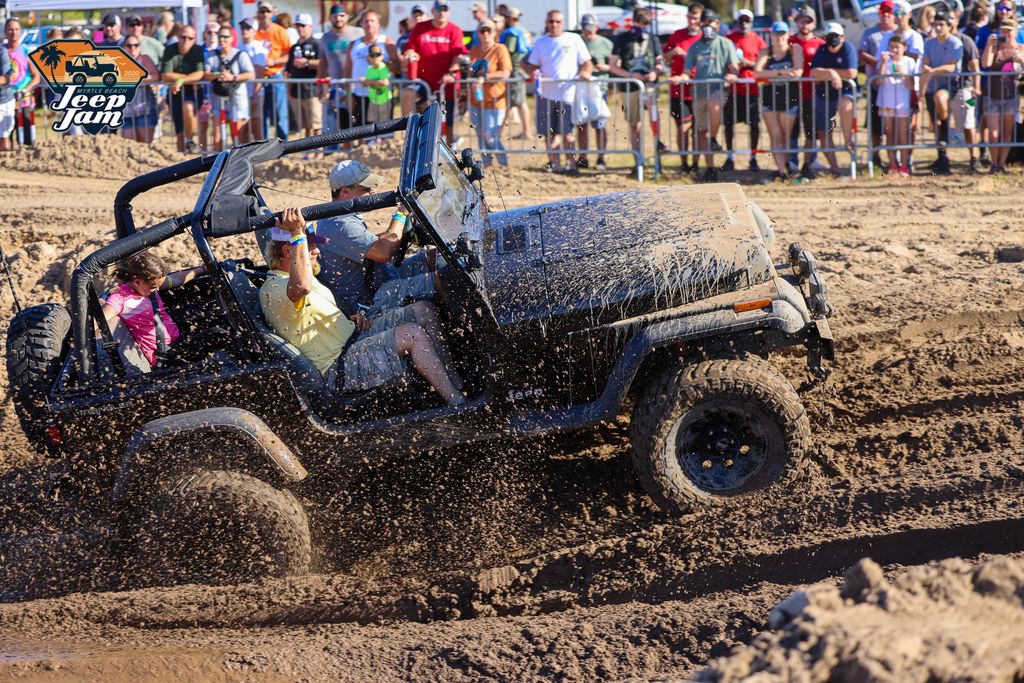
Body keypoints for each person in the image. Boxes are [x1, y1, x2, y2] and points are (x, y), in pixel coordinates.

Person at [262, 208, 464, 404]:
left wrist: (347, 318)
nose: (316, 251)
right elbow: (301, 288)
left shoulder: (295, 278)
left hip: (355, 336)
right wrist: (297, 234)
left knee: (424, 310)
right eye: (309, 247)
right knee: (412, 334)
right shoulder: (275, 287)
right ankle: (458, 403)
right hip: (339, 366)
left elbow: (305, 313)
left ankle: (456, 382)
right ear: (289, 251)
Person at [316, 160, 439, 315]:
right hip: (371, 301)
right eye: (366, 188)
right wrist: (401, 214)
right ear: (345, 192)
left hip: (381, 278)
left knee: (435, 257)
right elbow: (383, 253)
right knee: (440, 280)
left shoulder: (338, 216)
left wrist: (396, 232)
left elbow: (371, 243)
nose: (373, 190)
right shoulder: (340, 224)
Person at [101, 253, 205, 370]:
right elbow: (97, 321)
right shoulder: (120, 298)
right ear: (136, 282)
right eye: (154, 287)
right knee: (215, 334)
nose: (157, 289)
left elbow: (176, 279)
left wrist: (202, 269)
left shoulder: (150, 285)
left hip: (178, 342)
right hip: (165, 357)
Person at [524, 10, 593, 174]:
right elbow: (532, 65)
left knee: (568, 133)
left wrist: (585, 72)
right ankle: (555, 163)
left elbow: (587, 62)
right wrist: (533, 72)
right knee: (549, 133)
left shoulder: (574, 39)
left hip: (567, 94)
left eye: (557, 21)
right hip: (546, 94)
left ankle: (571, 164)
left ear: (562, 23)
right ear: (546, 23)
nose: (554, 25)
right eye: (551, 21)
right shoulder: (541, 42)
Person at [677, 9, 739, 182]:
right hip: (698, 92)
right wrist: (679, 78)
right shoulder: (695, 46)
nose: (708, 26)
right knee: (701, 131)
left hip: (718, 88)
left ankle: (713, 138)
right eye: (706, 22)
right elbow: (687, 72)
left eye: (712, 22)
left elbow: (734, 66)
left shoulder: (725, 43)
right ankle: (710, 168)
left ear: (717, 25)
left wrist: (733, 74)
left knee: (715, 105)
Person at [401, 1, 467, 144]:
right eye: (438, 8)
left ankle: (448, 153)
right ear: (433, 11)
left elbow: (458, 56)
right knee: (408, 94)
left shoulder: (454, 30)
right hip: (424, 83)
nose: (441, 11)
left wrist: (451, 73)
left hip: (446, 85)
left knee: (447, 125)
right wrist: (410, 54)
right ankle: (408, 137)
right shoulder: (421, 27)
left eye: (445, 9)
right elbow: (410, 48)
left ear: (449, 12)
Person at [609, 8, 662, 178]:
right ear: (633, 22)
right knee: (635, 125)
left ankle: (658, 157)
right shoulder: (622, 39)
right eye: (640, 24)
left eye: (645, 25)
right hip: (629, 87)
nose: (642, 28)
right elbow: (613, 65)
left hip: (649, 86)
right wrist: (631, 75)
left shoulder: (653, 39)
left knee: (654, 117)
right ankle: (638, 162)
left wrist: (655, 71)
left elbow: (660, 63)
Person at [754, 21, 802, 179]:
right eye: (776, 34)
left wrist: (772, 74)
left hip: (790, 98)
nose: (779, 37)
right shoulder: (766, 51)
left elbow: (798, 72)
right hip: (770, 99)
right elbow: (758, 72)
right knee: (775, 136)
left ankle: (790, 167)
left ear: (788, 34)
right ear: (771, 35)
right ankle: (782, 171)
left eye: (782, 33)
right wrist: (781, 73)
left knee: (787, 136)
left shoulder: (794, 49)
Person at [810, 22, 858, 178]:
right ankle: (835, 170)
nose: (833, 40)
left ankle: (848, 141)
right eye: (830, 37)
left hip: (844, 92)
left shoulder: (848, 48)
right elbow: (814, 72)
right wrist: (832, 73)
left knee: (845, 106)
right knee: (824, 133)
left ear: (842, 38)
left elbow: (852, 73)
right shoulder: (822, 50)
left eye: (835, 37)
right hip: (824, 94)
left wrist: (830, 73)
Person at [920, 12, 964, 174]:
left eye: (941, 24)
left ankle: (946, 123)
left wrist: (932, 71)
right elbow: (925, 63)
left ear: (948, 26)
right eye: (936, 24)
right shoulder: (929, 43)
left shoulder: (955, 42)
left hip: (949, 85)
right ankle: (941, 157)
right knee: (936, 125)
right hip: (932, 86)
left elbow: (951, 67)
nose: (938, 28)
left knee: (940, 101)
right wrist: (926, 70)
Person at [664, 3, 705, 173]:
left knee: (698, 129)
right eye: (690, 17)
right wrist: (673, 52)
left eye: (695, 18)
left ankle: (696, 162)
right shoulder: (677, 35)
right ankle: (684, 163)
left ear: (700, 19)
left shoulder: (704, 37)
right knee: (682, 128)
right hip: (679, 92)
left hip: (699, 90)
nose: (692, 21)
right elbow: (665, 58)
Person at [724, 9, 765, 172]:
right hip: (732, 90)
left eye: (747, 20)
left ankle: (753, 158)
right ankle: (729, 157)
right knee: (728, 124)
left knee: (754, 125)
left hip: (751, 89)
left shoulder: (758, 40)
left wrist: (748, 63)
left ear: (752, 22)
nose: (744, 23)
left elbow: (764, 64)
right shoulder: (729, 39)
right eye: (741, 20)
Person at [981, 16, 1024, 173]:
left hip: (1011, 96)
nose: (1005, 33)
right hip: (992, 95)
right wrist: (988, 45)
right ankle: (994, 163)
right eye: (1003, 30)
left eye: (1009, 31)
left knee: (1006, 133)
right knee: (993, 134)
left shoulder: (1020, 48)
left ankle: (1001, 164)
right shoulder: (995, 47)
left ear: (1015, 32)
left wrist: (1020, 60)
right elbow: (985, 63)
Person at [859, 0, 898, 169]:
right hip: (876, 85)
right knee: (875, 124)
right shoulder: (870, 33)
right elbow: (861, 52)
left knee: (895, 124)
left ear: (893, 14)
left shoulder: (898, 33)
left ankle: (897, 159)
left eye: (888, 12)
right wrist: (878, 63)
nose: (885, 15)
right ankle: (875, 155)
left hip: (896, 87)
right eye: (883, 12)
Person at [468, 19, 513, 165]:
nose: (485, 33)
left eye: (489, 30)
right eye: (482, 31)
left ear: (495, 33)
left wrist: (484, 77)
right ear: (478, 34)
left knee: (490, 135)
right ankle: (486, 163)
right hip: (475, 99)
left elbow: (506, 73)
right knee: (480, 135)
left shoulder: (500, 49)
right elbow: (469, 72)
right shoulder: (474, 50)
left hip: (494, 100)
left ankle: (503, 162)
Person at [318, 5, 364, 144]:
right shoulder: (325, 38)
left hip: (357, 85)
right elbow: (322, 63)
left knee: (359, 117)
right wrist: (320, 86)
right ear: (330, 18)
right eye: (335, 16)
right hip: (336, 87)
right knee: (340, 119)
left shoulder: (358, 33)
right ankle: (345, 148)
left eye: (342, 15)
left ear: (348, 16)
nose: (338, 19)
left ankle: (361, 147)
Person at [788, 6, 825, 177]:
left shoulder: (820, 44)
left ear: (814, 23)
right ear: (797, 22)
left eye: (808, 21)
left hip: (813, 95)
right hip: (792, 94)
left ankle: (809, 163)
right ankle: (792, 162)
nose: (804, 25)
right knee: (792, 131)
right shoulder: (789, 42)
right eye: (802, 21)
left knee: (811, 130)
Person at [205, 27, 255, 151]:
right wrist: (219, 75)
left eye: (225, 37)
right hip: (218, 99)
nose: (222, 39)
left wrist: (232, 77)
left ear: (231, 38)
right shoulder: (212, 55)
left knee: (238, 133)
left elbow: (251, 74)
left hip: (237, 99)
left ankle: (240, 162)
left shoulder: (240, 55)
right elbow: (205, 74)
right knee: (218, 135)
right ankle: (218, 164)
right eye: (220, 36)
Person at [347, 11, 399, 128]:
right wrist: (347, 93)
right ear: (361, 24)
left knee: (384, 129)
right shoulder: (354, 44)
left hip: (382, 96)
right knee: (361, 131)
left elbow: (398, 67)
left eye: (372, 21)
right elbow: (348, 70)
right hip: (360, 94)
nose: (369, 24)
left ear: (379, 24)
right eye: (366, 21)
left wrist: (379, 62)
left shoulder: (386, 42)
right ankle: (364, 146)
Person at [160, 24, 205, 152]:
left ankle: (190, 140)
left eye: (190, 38)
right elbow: (165, 75)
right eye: (183, 37)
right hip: (175, 93)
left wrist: (179, 80)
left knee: (188, 107)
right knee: (179, 132)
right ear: (177, 37)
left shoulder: (197, 50)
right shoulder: (170, 50)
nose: (186, 41)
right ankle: (181, 161)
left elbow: (200, 74)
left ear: (195, 39)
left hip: (193, 91)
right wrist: (189, 78)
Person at [878, 33, 917, 176]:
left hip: (903, 102)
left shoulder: (909, 62)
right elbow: (877, 81)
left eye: (897, 47)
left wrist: (905, 74)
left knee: (902, 134)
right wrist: (882, 63)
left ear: (904, 48)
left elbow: (912, 85)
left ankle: (904, 165)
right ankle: (893, 164)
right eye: (892, 47)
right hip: (887, 101)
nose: (894, 50)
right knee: (889, 133)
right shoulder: (885, 61)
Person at [578, 14, 613, 170]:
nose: (588, 32)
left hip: (600, 89)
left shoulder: (606, 43)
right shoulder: (578, 42)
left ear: (596, 27)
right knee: (581, 125)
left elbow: (615, 64)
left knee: (599, 125)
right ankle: (583, 157)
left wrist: (605, 67)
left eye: (591, 29)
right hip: (580, 90)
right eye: (586, 29)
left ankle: (601, 157)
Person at [1, 19, 40, 150]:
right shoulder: (2, 52)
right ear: (5, 32)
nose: (14, 33)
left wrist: (25, 90)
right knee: (6, 139)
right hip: (5, 100)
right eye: (10, 29)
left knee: (26, 139)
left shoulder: (25, 51)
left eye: (17, 29)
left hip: (24, 100)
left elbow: (36, 77)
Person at [256, 0, 293, 141]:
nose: (264, 14)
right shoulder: (253, 31)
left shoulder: (279, 31)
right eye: (261, 11)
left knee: (279, 114)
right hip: (258, 78)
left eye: (267, 11)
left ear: (271, 13)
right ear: (258, 14)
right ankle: (263, 147)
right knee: (261, 115)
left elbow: (289, 55)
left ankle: (284, 147)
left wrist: (274, 61)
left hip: (275, 75)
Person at [952, 9, 982, 170]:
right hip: (946, 89)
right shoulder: (936, 40)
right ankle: (942, 157)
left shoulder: (966, 40)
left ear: (957, 20)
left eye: (952, 19)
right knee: (941, 123)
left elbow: (975, 66)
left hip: (966, 89)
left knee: (969, 121)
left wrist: (977, 87)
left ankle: (974, 157)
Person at [285, 13, 322, 140]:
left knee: (316, 123)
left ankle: (319, 150)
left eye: (303, 25)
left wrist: (307, 62)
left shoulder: (317, 44)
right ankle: (310, 150)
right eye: (298, 26)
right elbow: (289, 70)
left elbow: (323, 63)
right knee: (305, 125)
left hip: (312, 90)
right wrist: (288, 89)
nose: (300, 28)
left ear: (310, 27)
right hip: (297, 91)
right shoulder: (294, 48)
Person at [500, 6, 532, 139]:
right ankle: (524, 131)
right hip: (521, 69)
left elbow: (507, 51)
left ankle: (525, 132)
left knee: (516, 102)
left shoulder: (512, 33)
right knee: (518, 102)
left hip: (515, 70)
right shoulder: (523, 31)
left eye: (506, 17)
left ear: (511, 18)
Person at [122, 37, 161, 144]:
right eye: (129, 45)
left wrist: (137, 79)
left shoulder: (144, 59)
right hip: (126, 110)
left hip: (144, 108)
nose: (133, 48)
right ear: (124, 47)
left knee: (145, 144)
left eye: (136, 45)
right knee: (128, 144)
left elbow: (156, 76)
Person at [239, 18, 268, 144]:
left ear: (254, 30)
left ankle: (261, 155)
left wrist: (254, 94)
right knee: (243, 127)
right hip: (241, 93)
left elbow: (259, 74)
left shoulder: (257, 48)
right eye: (243, 27)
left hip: (253, 93)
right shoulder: (238, 47)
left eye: (248, 28)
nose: (244, 30)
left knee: (256, 126)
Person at [362, 44, 394, 128]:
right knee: (373, 121)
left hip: (384, 100)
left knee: (385, 121)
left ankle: (384, 138)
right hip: (373, 99)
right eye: (373, 55)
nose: (375, 57)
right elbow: (365, 84)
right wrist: (364, 81)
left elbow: (385, 82)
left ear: (382, 56)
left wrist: (368, 81)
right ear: (369, 57)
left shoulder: (383, 68)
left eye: (378, 55)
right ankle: (376, 138)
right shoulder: (370, 69)